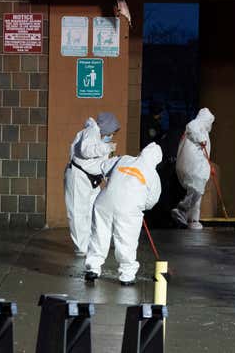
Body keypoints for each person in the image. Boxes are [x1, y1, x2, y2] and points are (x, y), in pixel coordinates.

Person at [84, 143, 162, 286]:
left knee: (99, 235)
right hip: (129, 209)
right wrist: (141, 205)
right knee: (126, 241)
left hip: (104, 202)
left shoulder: (124, 159)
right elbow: (152, 201)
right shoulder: (153, 174)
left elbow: (104, 167)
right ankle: (127, 275)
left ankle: (92, 268)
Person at [64, 112, 119, 256]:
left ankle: (91, 244)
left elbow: (99, 162)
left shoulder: (99, 138)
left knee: (94, 210)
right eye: (111, 132)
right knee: (78, 212)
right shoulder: (91, 131)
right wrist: (107, 148)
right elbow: (86, 150)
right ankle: (82, 248)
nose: (111, 136)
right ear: (106, 127)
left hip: (92, 179)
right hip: (78, 176)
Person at [171, 108, 215, 230]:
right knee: (196, 189)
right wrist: (200, 138)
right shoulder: (197, 124)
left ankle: (193, 220)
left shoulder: (203, 130)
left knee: (197, 192)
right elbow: (192, 127)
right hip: (193, 166)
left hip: (198, 166)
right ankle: (182, 209)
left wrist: (208, 166)